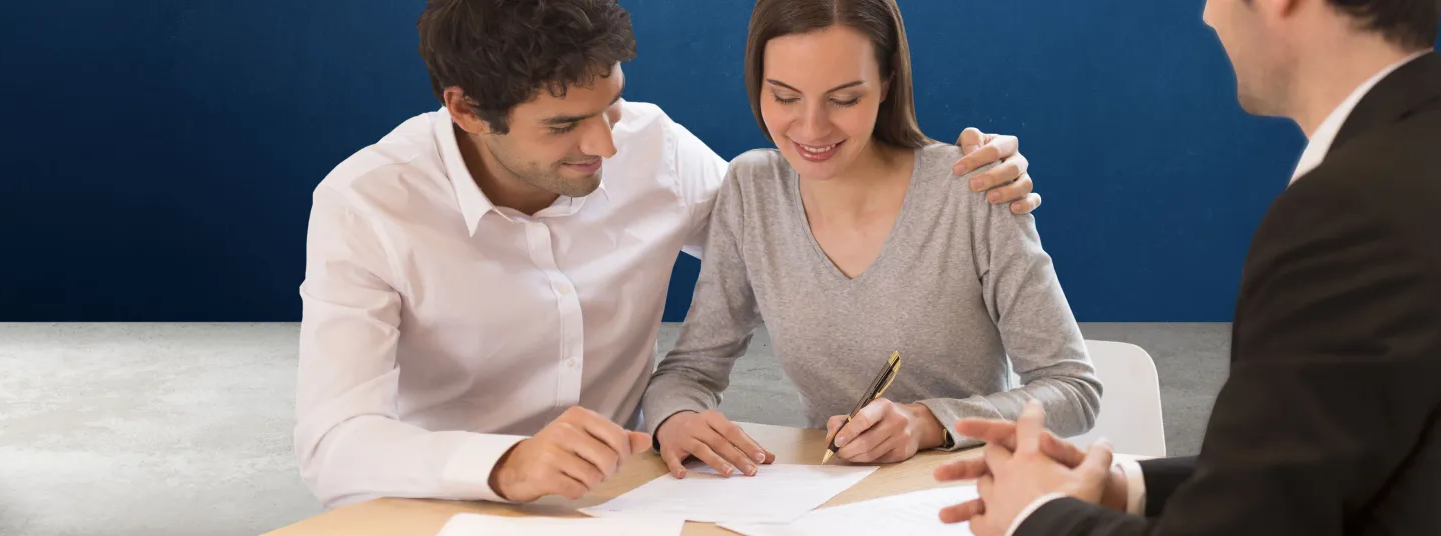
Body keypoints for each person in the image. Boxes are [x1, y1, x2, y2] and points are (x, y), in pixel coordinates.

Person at [295, 0, 1044, 508]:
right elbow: (333, 445)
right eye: (563, 126)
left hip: (624, 499)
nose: (603, 144)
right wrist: (503, 464)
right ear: (465, 110)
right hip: (444, 507)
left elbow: (802, 207)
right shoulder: (367, 205)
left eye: (610, 104)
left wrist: (972, 173)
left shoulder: (651, 147)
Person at [933, 0, 1441, 534]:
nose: (1208, 16)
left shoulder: (1349, 210)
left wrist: (1035, 517)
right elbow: (1321, 463)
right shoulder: (1407, 171)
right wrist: (1128, 487)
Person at [641, 0, 1099, 480]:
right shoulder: (752, 188)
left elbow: (1073, 390)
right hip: (830, 501)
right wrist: (677, 418)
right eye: (784, 96)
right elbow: (689, 371)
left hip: (959, 499)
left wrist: (926, 424)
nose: (812, 128)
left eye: (843, 99)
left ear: (886, 83)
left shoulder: (973, 189)